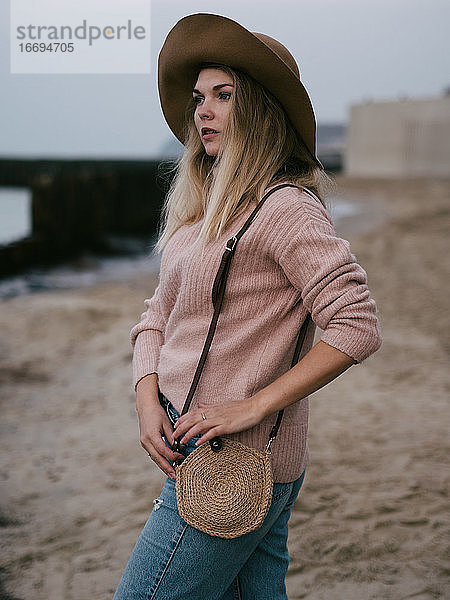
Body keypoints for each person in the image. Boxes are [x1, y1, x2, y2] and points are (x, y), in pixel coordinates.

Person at [113, 13, 382, 600]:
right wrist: (144, 397)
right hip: (204, 452)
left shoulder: (287, 208)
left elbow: (357, 324)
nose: (202, 111)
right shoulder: (205, 210)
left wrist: (249, 407)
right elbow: (156, 312)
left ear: (259, 109)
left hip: (235, 467)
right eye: (199, 98)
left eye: (224, 96)